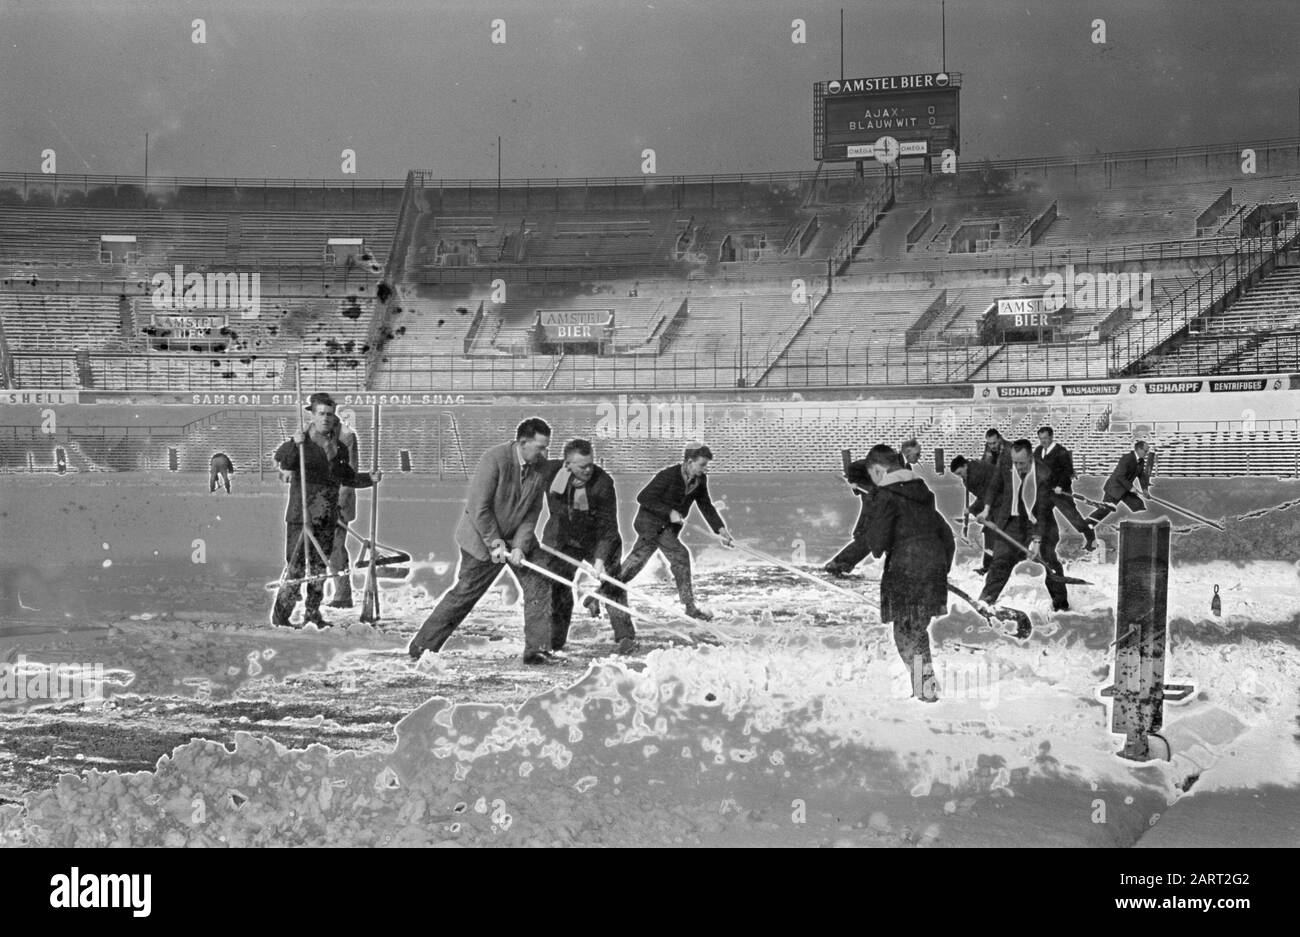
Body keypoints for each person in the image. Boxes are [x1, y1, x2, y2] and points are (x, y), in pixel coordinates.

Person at [407, 418, 555, 664]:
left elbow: (532, 511)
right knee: (465, 593)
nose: (544, 453)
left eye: (546, 447)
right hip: (481, 538)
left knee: (538, 581)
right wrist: (495, 543)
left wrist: (519, 546)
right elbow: (479, 508)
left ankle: (537, 650)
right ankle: (422, 646)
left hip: (515, 536)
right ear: (523, 442)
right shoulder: (495, 460)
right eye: (540, 447)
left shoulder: (539, 467)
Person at [270, 394, 381, 628]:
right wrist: (293, 442)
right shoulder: (301, 444)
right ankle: (281, 616)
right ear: (313, 415)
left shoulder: (338, 448)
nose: (326, 419)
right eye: (321, 414)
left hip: (327, 515)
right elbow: (283, 461)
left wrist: (368, 479)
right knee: (297, 567)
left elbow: (346, 477)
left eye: (330, 414)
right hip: (302, 515)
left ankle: (313, 613)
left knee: (320, 569)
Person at [862, 445, 955, 703]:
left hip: (906, 570)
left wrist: (873, 513)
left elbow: (877, 545)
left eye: (873, 475)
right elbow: (946, 535)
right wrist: (940, 568)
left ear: (878, 470)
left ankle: (925, 690)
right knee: (917, 629)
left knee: (905, 632)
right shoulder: (923, 491)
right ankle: (926, 686)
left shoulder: (884, 495)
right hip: (933, 566)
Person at [536, 439, 637, 656]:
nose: (589, 469)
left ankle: (625, 636)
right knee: (559, 588)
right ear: (567, 465)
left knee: (612, 583)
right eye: (583, 466)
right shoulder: (551, 473)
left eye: (591, 463)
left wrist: (600, 560)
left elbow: (608, 527)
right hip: (564, 539)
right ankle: (556, 641)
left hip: (598, 539)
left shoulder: (603, 483)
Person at [617, 444, 734, 621]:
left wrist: (721, 530)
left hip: (667, 529)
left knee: (635, 563)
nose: (705, 468)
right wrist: (669, 511)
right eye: (702, 464)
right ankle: (690, 607)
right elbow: (643, 497)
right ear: (689, 462)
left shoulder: (700, 480)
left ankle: (596, 595)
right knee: (680, 555)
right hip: (650, 524)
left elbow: (706, 506)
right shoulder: (668, 475)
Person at [971, 438, 1069, 613]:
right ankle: (986, 601)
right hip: (1011, 521)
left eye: (1022, 463)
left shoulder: (1044, 474)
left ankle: (1061, 603)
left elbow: (1042, 510)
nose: (1017, 467)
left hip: (1037, 522)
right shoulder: (1006, 463)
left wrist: (1037, 541)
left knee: (1048, 561)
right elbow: (994, 485)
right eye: (1015, 462)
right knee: (1000, 560)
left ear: (1031, 457)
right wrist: (986, 509)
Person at [1034, 425, 1096, 551]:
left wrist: (1060, 486)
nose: (1043, 441)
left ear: (1051, 437)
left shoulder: (1061, 451)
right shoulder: (1038, 450)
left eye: (1045, 438)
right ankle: (1048, 541)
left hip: (1060, 492)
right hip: (1045, 491)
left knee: (1073, 517)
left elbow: (1067, 471)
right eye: (1041, 438)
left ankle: (1090, 537)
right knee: (1039, 514)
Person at [824, 454, 879, 576]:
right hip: (874, 509)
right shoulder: (874, 471)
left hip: (877, 507)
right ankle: (838, 565)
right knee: (869, 539)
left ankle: (839, 564)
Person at [327, 418, 360, 608]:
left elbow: (350, 475)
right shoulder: (314, 433)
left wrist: (337, 503)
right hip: (318, 501)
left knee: (336, 547)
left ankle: (342, 594)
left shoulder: (347, 436)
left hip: (339, 502)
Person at [1087, 440, 1151, 527]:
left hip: (1125, 489)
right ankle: (1088, 523)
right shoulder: (1127, 458)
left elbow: (1141, 475)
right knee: (1106, 509)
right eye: (1145, 450)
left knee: (1138, 505)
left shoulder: (1141, 461)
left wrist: (1144, 489)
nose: (1147, 453)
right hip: (1114, 488)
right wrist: (1131, 488)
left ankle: (1142, 527)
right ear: (1139, 449)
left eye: (1147, 451)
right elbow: (1120, 476)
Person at [951, 454, 997, 573]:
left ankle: (991, 567)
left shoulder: (977, 473)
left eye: (960, 473)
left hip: (1000, 501)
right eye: (957, 475)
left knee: (992, 532)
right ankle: (990, 566)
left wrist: (972, 509)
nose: (960, 477)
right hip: (992, 501)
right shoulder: (969, 475)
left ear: (965, 466)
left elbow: (986, 495)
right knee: (990, 532)